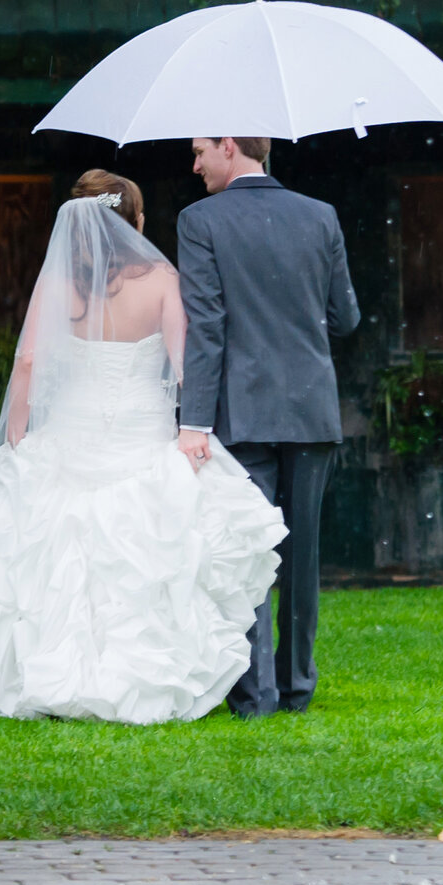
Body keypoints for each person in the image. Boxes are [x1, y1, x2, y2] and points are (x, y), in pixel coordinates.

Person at [0, 170, 288, 722]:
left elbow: (27, 361)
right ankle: (140, 676)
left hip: (71, 431)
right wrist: (194, 427)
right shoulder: (163, 278)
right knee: (143, 553)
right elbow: (185, 362)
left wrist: (19, 431)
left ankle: (56, 675)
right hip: (140, 430)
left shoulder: (57, 284)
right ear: (135, 222)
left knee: (61, 554)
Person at [175, 136, 360, 717]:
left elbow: (206, 327)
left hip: (241, 411)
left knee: (248, 551)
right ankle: (298, 687)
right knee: (301, 554)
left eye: (201, 150)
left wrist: (193, 421)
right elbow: (346, 318)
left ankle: (256, 695)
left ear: (230, 146)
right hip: (310, 409)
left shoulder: (199, 219)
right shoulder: (321, 215)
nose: (196, 163)